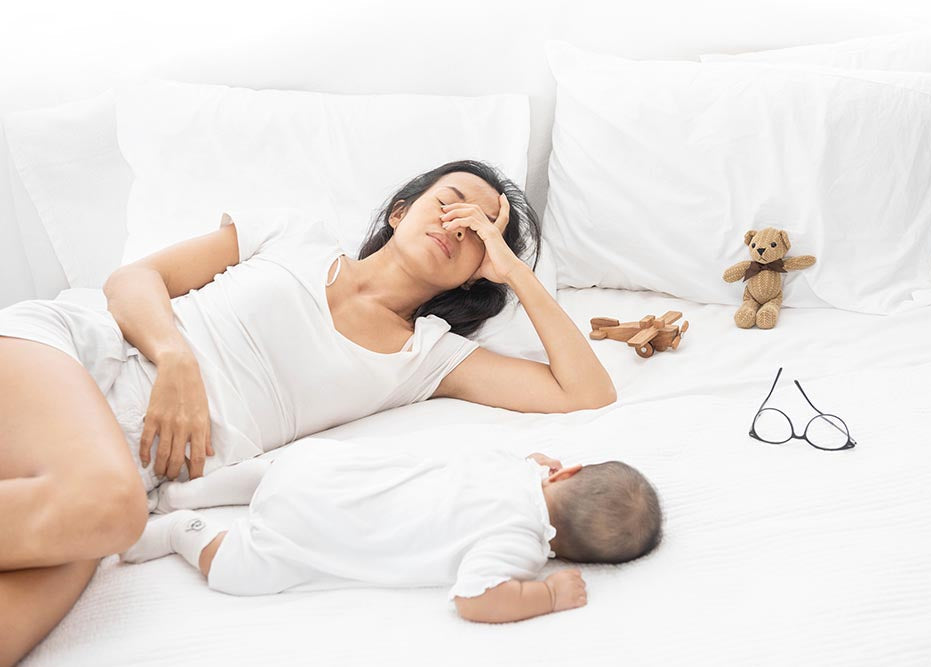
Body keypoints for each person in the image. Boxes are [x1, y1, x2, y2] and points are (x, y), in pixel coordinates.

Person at [0, 159, 617, 663]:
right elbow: (133, 279)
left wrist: (512, 270)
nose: (457, 226)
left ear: (476, 272)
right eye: (448, 204)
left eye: (477, 231)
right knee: (114, 512)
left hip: (124, 473)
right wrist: (174, 358)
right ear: (401, 210)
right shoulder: (294, 236)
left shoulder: (426, 358)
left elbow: (585, 392)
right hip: (81, 358)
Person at [121, 438, 663, 623]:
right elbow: (475, 598)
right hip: (308, 530)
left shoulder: (515, 468)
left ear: (564, 473)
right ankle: (178, 530)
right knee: (235, 569)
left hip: (315, 469)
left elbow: (514, 466)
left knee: (273, 472)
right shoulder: (520, 545)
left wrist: (536, 466)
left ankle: (184, 493)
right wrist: (545, 596)